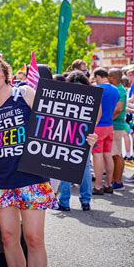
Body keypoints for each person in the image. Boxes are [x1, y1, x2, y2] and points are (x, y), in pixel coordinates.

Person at [0, 54, 97, 267]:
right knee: (8, 239)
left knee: (33, 239)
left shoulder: (24, 94)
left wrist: (84, 138)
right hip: (2, 180)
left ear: (5, 72)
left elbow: (57, 123)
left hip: (32, 176)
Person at [57, 71, 93, 211]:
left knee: (64, 167)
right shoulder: (91, 96)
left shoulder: (65, 96)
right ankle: (85, 201)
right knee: (84, 167)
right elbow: (98, 114)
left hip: (67, 133)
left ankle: (64, 202)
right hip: (84, 133)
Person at [92, 68, 120, 195]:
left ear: (98, 76)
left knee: (97, 156)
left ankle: (98, 186)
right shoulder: (115, 90)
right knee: (108, 155)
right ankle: (109, 184)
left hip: (99, 126)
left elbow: (98, 109)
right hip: (109, 126)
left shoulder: (99, 89)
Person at [108, 68, 127, 191]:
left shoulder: (120, 90)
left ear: (113, 77)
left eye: (108, 76)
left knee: (117, 154)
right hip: (116, 125)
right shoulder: (118, 89)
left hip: (117, 125)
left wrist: (109, 119)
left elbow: (119, 108)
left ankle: (118, 182)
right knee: (114, 154)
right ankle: (115, 180)